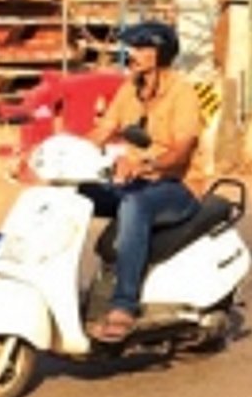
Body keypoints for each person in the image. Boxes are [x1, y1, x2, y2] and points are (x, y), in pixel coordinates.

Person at [84, 21, 205, 343]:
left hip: (177, 186)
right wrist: (60, 154)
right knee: (76, 194)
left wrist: (147, 163)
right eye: (131, 48)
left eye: (140, 48)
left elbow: (181, 151)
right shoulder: (129, 88)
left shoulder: (183, 93)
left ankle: (124, 304)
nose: (132, 54)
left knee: (134, 204)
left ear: (160, 54)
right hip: (135, 180)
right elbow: (103, 129)